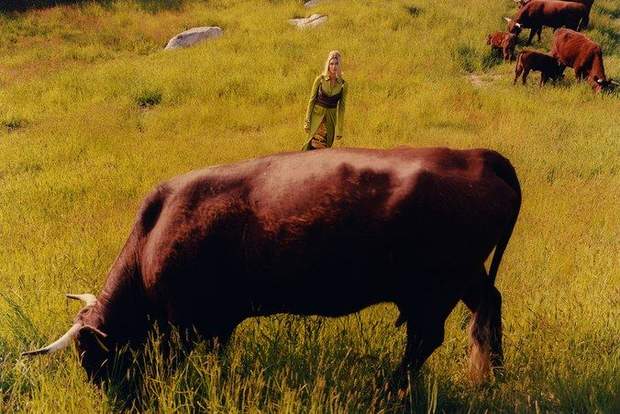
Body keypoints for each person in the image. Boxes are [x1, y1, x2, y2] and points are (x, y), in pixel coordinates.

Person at [302, 50, 348, 151]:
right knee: (310, 145)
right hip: (317, 116)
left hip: (331, 119)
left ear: (339, 65)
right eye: (331, 64)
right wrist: (307, 120)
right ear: (328, 65)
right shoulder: (320, 79)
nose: (334, 66)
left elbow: (342, 108)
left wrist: (339, 129)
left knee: (325, 149)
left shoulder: (343, 84)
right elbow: (312, 100)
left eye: (336, 64)